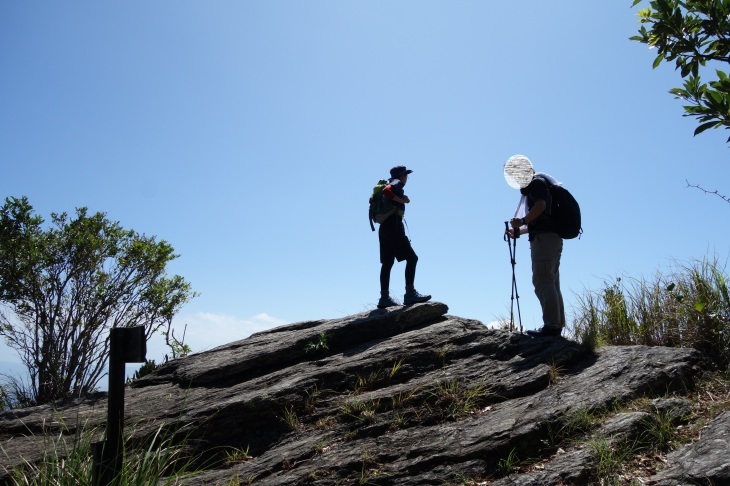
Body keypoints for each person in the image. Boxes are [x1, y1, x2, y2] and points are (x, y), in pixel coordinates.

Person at [507, 167, 565, 337]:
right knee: (551, 280)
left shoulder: (536, 183)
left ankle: (552, 326)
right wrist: (520, 231)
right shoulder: (541, 183)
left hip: (545, 240)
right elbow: (541, 219)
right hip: (550, 238)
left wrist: (522, 221)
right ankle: (556, 325)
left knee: (542, 280)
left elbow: (541, 206)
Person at [377, 165, 431, 309]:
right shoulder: (395, 183)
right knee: (412, 258)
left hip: (384, 229)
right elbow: (386, 191)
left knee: (387, 263)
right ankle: (410, 294)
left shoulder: (391, 183)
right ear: (401, 176)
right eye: (406, 175)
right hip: (394, 228)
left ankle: (384, 298)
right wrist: (402, 200)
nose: (406, 178)